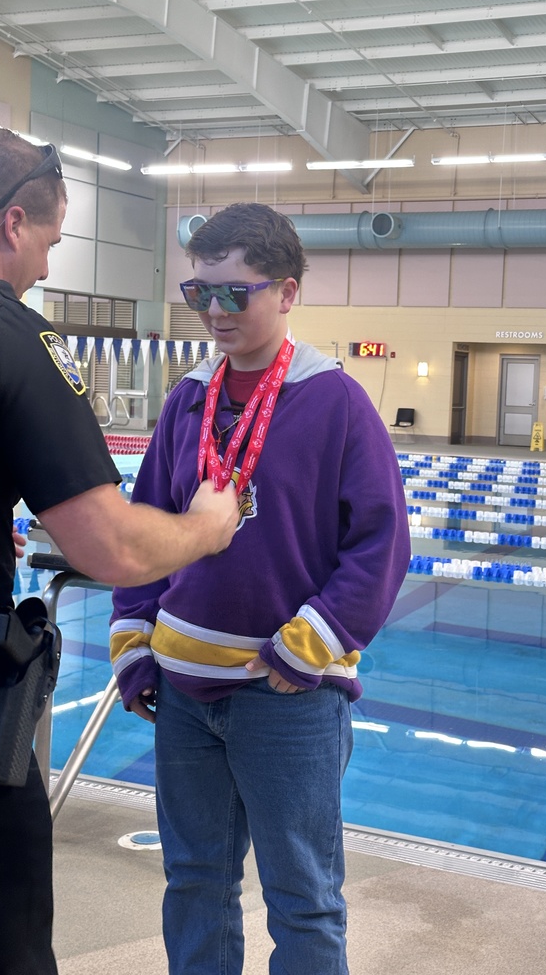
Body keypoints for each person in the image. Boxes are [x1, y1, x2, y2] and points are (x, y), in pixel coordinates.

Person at [0, 128, 239, 975]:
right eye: (48, 246)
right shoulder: (5, 333)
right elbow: (108, 545)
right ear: (13, 222)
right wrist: (207, 528)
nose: (43, 270)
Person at [110, 202, 411, 974]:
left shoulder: (335, 401)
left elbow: (381, 543)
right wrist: (133, 641)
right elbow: (144, 523)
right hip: (181, 695)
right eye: (199, 292)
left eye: (234, 293)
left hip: (289, 697)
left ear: (287, 291)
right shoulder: (188, 397)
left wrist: (308, 645)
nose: (214, 311)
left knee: (303, 898)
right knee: (195, 882)